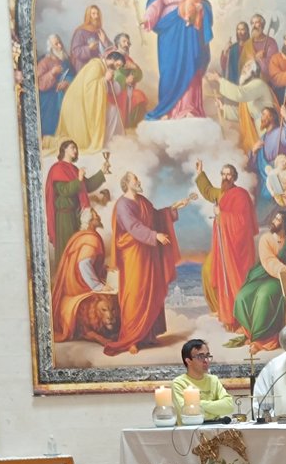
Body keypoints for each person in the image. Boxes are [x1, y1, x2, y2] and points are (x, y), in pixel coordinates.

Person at [103, 171, 186, 357]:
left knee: (151, 289)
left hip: (148, 254)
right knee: (135, 293)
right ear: (127, 183)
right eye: (135, 179)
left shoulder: (142, 201)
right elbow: (133, 227)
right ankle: (131, 338)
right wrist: (155, 235)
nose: (138, 181)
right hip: (133, 255)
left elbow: (155, 217)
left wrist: (172, 209)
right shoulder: (123, 205)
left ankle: (147, 335)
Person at [234, 207, 286, 351]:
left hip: (284, 278)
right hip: (265, 274)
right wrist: (281, 268)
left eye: (278, 220)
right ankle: (249, 329)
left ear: (285, 224)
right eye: (274, 218)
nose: (274, 222)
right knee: (242, 296)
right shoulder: (266, 239)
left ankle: (263, 340)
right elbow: (268, 261)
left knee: (264, 295)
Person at [195, 160, 258, 328]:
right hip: (222, 244)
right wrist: (201, 173)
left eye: (228, 174)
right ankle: (222, 309)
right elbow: (208, 191)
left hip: (238, 248)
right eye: (223, 174)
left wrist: (221, 215)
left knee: (234, 278)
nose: (225, 177)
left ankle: (238, 317)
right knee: (208, 270)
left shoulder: (241, 194)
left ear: (234, 176)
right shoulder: (221, 193)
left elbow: (243, 222)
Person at [143, 0, 214, 120]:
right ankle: (168, 110)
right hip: (169, 31)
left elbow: (200, 1)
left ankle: (190, 108)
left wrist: (201, 7)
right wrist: (148, 18)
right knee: (170, 68)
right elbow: (155, 6)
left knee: (190, 64)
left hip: (189, 31)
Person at [51, 207, 112, 343]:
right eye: (96, 215)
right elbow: (83, 264)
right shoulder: (90, 239)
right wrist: (98, 286)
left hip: (73, 285)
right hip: (79, 287)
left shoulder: (81, 236)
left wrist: (104, 270)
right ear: (91, 221)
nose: (99, 217)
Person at [45, 140, 108, 267]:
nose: (75, 150)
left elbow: (87, 186)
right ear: (64, 150)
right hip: (64, 217)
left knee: (77, 247)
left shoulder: (73, 169)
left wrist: (102, 172)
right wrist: (78, 179)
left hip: (75, 215)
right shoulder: (57, 168)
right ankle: (65, 280)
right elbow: (64, 191)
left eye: (76, 148)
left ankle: (75, 278)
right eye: (72, 147)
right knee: (68, 247)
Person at [52, 49, 126, 154]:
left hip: (85, 102)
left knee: (114, 110)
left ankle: (111, 141)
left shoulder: (103, 67)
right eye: (117, 64)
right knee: (113, 111)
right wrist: (104, 80)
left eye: (119, 67)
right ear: (111, 59)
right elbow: (89, 88)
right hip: (78, 105)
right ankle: (107, 141)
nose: (117, 68)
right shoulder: (96, 65)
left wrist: (108, 80)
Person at [37, 34, 73, 137]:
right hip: (49, 97)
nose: (60, 46)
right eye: (56, 44)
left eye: (60, 43)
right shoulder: (44, 62)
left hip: (65, 93)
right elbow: (39, 83)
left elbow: (73, 76)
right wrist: (52, 73)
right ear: (51, 48)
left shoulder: (66, 60)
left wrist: (67, 82)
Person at [112, 33, 149, 129]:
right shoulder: (113, 57)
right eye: (124, 41)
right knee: (138, 96)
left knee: (139, 96)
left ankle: (134, 126)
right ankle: (130, 125)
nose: (126, 45)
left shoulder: (128, 59)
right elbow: (114, 74)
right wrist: (125, 80)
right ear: (117, 44)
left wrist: (134, 68)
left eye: (128, 43)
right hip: (116, 92)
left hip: (128, 91)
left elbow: (139, 75)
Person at [69, 4, 111, 74]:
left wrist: (105, 41)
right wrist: (89, 48)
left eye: (97, 14)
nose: (96, 16)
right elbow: (75, 51)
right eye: (93, 14)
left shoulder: (100, 31)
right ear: (88, 16)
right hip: (85, 67)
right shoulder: (80, 31)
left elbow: (110, 48)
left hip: (98, 66)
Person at [239, 12, 279, 79]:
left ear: (262, 25)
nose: (254, 25)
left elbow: (273, 65)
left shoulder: (271, 42)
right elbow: (242, 64)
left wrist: (262, 60)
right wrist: (256, 58)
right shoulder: (247, 44)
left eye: (257, 22)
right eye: (252, 23)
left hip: (265, 81)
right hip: (248, 80)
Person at [220, 19, 250, 83]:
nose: (240, 32)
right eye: (238, 29)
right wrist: (225, 51)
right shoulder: (233, 47)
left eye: (242, 29)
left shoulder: (251, 46)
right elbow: (224, 66)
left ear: (247, 31)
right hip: (234, 81)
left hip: (247, 81)